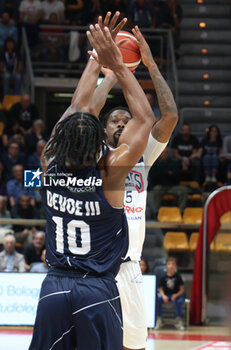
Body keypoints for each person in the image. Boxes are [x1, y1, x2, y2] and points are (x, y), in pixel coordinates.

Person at [29, 12, 155, 350]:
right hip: (97, 290)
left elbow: (76, 108)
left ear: (62, 140)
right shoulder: (110, 173)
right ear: (97, 143)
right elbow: (145, 119)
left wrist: (98, 64)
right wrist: (120, 68)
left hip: (54, 287)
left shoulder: (49, 163)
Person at [85, 25, 178, 350]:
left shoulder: (142, 157)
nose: (123, 122)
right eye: (115, 120)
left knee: (134, 346)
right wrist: (110, 74)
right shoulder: (94, 156)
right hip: (96, 268)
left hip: (130, 268)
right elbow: (85, 114)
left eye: (127, 119)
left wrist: (150, 65)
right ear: (103, 129)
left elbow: (169, 116)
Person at [149, 148, 188, 216]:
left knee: (184, 190)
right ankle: (156, 212)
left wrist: (162, 173)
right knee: (156, 190)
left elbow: (177, 177)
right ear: (159, 154)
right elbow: (153, 177)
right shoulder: (155, 164)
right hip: (160, 187)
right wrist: (167, 173)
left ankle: (181, 211)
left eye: (166, 152)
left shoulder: (174, 163)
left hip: (172, 187)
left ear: (169, 154)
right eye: (163, 152)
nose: (164, 154)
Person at [155, 256, 185, 330]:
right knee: (158, 299)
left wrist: (176, 295)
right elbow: (160, 289)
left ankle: (178, 320)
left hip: (175, 295)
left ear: (176, 266)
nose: (171, 266)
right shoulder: (163, 277)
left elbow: (182, 290)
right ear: (166, 266)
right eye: (169, 264)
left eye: (173, 264)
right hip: (166, 295)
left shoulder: (178, 277)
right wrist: (163, 296)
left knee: (179, 301)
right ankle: (159, 319)